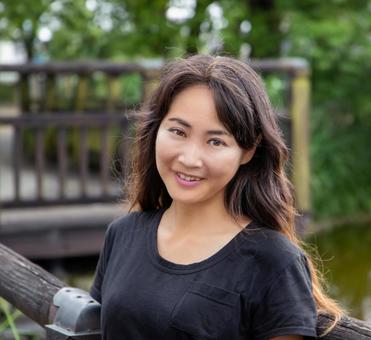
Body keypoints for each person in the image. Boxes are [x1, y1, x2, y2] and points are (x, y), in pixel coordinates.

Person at [90, 54, 342, 339]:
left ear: (249, 150)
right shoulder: (123, 234)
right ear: (156, 128)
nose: (190, 158)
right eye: (178, 131)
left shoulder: (275, 262)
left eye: (216, 141)